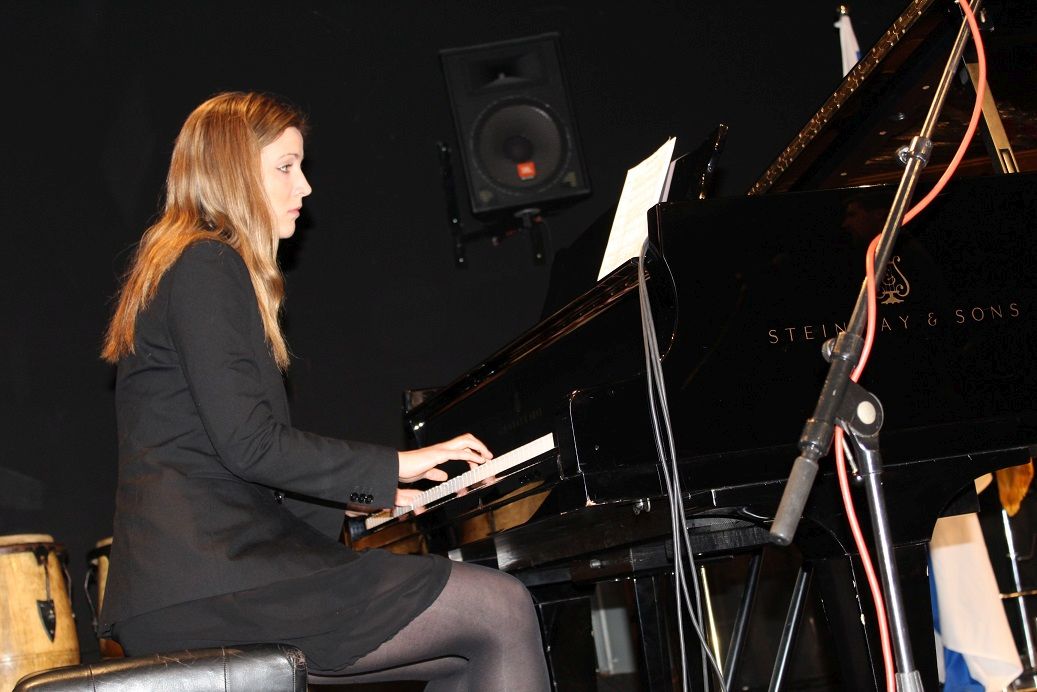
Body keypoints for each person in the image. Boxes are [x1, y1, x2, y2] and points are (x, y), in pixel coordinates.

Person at [99, 91, 551, 691]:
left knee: (474, 648)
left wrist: (355, 502)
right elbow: (251, 446)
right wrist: (395, 465)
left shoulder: (186, 264)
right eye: (286, 167)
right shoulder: (207, 263)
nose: (305, 186)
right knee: (502, 607)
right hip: (209, 585)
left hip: (201, 580)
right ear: (234, 172)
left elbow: (218, 459)